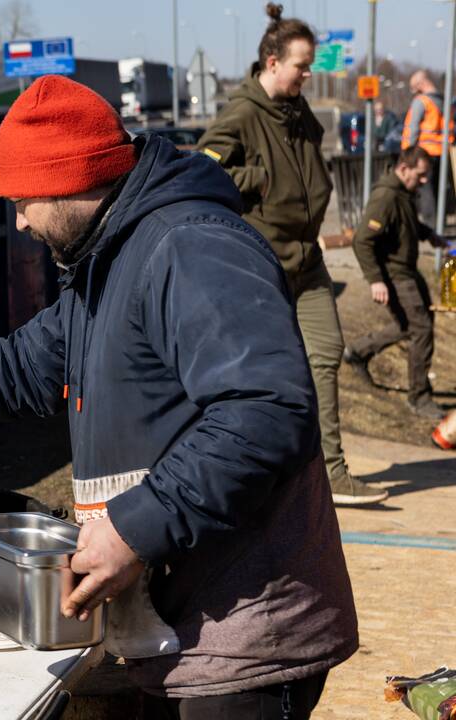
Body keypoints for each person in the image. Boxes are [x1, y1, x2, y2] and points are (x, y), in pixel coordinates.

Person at [0, 74, 358, 718]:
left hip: (243, 634)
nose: (18, 221)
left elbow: (266, 412)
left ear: (70, 178)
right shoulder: (105, 261)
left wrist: (132, 530)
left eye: (22, 200)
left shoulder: (189, 247)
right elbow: (25, 365)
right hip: (180, 624)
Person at [197, 2, 388, 506]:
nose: (309, 72)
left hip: (309, 262)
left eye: (309, 64)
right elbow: (202, 171)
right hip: (265, 268)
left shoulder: (296, 108)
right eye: (302, 64)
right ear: (272, 60)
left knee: (325, 354)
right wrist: (259, 179)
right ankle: (266, 478)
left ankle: (332, 473)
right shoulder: (242, 114)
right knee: (267, 378)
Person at [345, 146, 448, 418]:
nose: (425, 181)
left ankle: (357, 351)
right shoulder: (386, 196)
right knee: (421, 329)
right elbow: (361, 241)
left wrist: (429, 235)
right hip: (395, 274)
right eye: (421, 175)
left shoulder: (404, 192)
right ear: (404, 168)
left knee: (410, 326)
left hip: (408, 270)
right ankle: (419, 398)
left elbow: (406, 224)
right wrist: (375, 280)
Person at [402, 70, 456, 226]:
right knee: (440, 190)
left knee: (426, 192)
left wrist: (409, 153)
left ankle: (432, 227)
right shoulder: (444, 102)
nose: (414, 93)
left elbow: (413, 130)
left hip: (424, 154)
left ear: (420, 85)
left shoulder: (422, 102)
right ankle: (440, 223)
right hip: (444, 153)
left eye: (414, 88)